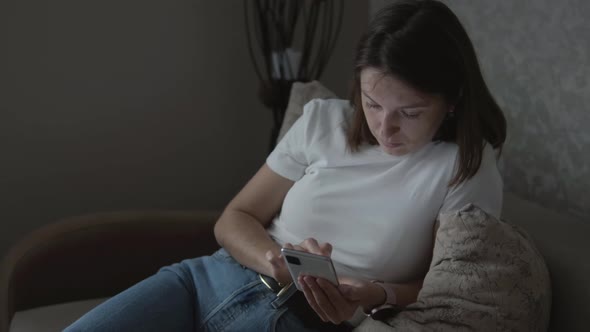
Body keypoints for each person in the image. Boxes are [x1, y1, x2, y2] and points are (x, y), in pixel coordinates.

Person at [66, 0, 506, 331]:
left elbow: (444, 289)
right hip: (210, 277)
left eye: (408, 113)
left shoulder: (465, 168)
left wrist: (373, 294)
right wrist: (276, 260)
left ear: (452, 102)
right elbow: (234, 219)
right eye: (372, 103)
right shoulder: (324, 120)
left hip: (301, 320)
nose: (384, 127)